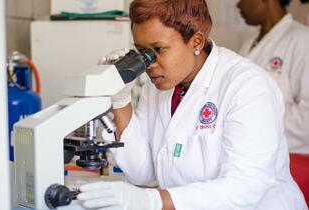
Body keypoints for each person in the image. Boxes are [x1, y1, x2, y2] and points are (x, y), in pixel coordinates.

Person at [77, 0, 307, 209]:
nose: (150, 64)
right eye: (142, 52)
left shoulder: (248, 85)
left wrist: (155, 200)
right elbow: (141, 172)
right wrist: (120, 101)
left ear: (196, 40)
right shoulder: (157, 87)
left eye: (158, 49)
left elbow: (246, 186)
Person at [237, 0, 309, 154]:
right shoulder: (248, 44)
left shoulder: (302, 40)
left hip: (293, 158)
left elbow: (306, 118)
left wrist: (256, 124)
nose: (238, 5)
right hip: (253, 154)